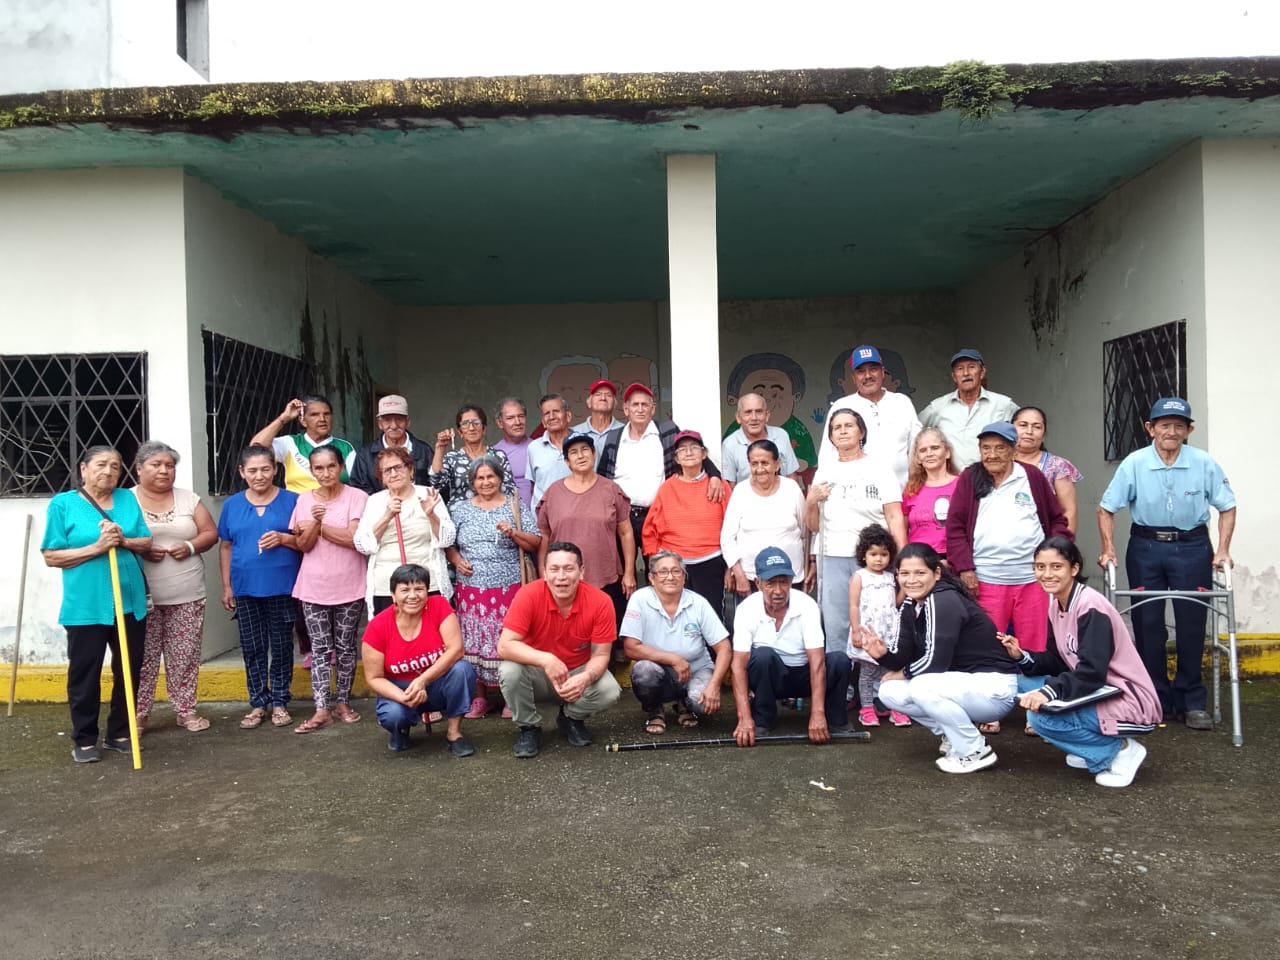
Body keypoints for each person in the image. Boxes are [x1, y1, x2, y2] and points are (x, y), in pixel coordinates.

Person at [1097, 397, 1236, 730]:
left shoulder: (1203, 462)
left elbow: (1227, 506)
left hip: (1192, 547)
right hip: (1146, 547)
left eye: (1178, 426)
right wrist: (1108, 548)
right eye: (1164, 425)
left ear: (1188, 430)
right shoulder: (1135, 463)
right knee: (1148, 624)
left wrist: (1223, 550)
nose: (1171, 432)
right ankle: (1155, 696)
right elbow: (1106, 508)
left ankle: (1191, 700)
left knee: (1191, 622)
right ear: (1150, 428)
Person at [1000, 537, 1161, 787]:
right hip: (1098, 691)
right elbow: (1058, 661)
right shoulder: (1056, 604)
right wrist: (1022, 656)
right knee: (1018, 684)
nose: (1047, 574)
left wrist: (1047, 693)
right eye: (1040, 567)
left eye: (1056, 567)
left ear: (1074, 568)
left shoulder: (1090, 606)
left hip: (1129, 699)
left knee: (1041, 718)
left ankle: (1120, 750)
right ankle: (1091, 748)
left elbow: (1092, 672)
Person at [853, 543, 1018, 773]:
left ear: (937, 573)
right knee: (889, 691)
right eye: (904, 573)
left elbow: (935, 662)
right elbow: (902, 655)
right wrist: (883, 656)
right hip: (962, 686)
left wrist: (902, 673)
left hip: (993, 689)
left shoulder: (942, 599)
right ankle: (954, 737)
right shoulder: (911, 603)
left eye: (920, 573)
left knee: (920, 685)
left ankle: (975, 751)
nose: (912, 580)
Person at [41, 446, 152, 763]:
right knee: (85, 673)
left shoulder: (127, 499)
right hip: (86, 605)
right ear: (84, 469)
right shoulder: (63, 504)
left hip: (129, 602)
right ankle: (85, 739)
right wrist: (97, 547)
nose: (109, 471)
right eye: (101, 464)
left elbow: (146, 541)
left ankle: (120, 733)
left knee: (129, 669)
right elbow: (52, 556)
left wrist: (123, 540)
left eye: (115, 466)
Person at [946, 422, 1070, 660]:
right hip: (985, 579)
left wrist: (1055, 554)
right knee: (987, 645)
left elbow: (1056, 519)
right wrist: (964, 568)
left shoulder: (1031, 476)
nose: (992, 454)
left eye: (1000, 448)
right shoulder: (970, 477)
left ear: (1014, 450)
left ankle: (1033, 683)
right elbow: (955, 528)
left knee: (1034, 647)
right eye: (986, 448)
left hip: (1032, 580)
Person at [497, 542, 623, 758]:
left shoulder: (601, 601)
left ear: (581, 572)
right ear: (545, 573)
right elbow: (505, 646)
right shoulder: (528, 594)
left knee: (609, 689)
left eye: (569, 569)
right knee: (509, 670)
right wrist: (546, 660)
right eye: (554, 569)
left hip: (576, 673)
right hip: (537, 672)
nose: (561, 577)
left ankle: (571, 718)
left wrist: (586, 677)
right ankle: (529, 727)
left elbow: (601, 654)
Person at [446, 454, 543, 719]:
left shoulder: (514, 505)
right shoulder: (461, 509)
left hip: (508, 587)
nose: (486, 482)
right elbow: (447, 542)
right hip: (471, 589)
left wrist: (513, 533)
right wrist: (456, 559)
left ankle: (511, 696)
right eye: (480, 478)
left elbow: (535, 541)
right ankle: (480, 698)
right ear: (472, 482)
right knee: (474, 641)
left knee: (508, 638)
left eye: (491, 476)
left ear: (500, 478)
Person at [132, 441, 217, 734]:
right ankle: (138, 714)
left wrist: (190, 546)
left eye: (169, 465)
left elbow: (210, 533)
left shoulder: (188, 499)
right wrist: (142, 548)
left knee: (184, 656)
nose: (164, 470)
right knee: (142, 658)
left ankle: (185, 710)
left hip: (187, 593)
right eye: (156, 465)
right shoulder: (126, 500)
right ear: (139, 468)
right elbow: (118, 537)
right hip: (140, 596)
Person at [805, 408, 906, 654]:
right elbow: (814, 526)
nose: (842, 431)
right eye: (836, 428)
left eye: (848, 425)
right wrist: (810, 501)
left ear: (861, 432)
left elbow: (894, 516)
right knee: (836, 621)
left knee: (876, 617)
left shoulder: (879, 467)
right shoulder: (825, 471)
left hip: (874, 557)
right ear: (831, 437)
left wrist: (902, 559)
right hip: (833, 555)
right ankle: (840, 674)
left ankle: (877, 672)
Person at [730, 547, 853, 746]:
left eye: (784, 582)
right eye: (771, 583)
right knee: (762, 656)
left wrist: (817, 714)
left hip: (804, 674)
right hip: (773, 677)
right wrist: (744, 718)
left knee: (840, 660)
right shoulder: (746, 609)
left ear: (791, 581)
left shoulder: (806, 605)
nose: (778, 591)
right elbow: (738, 666)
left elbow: (817, 662)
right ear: (758, 583)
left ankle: (835, 718)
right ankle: (763, 718)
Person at [217, 444, 302, 730]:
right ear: (242, 472)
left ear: (275, 469)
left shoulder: (293, 500)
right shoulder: (232, 505)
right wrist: (226, 585)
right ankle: (257, 703)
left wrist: (284, 539)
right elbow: (226, 546)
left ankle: (279, 701)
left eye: (265, 469)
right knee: (252, 646)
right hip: (245, 588)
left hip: (282, 586)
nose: (259, 476)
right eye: (252, 470)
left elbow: (305, 542)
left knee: (281, 646)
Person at [288, 445, 369, 733]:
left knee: (346, 647)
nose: (325, 473)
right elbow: (302, 544)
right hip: (313, 586)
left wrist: (319, 526)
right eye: (319, 468)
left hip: (350, 583)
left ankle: (343, 703)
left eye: (331, 466)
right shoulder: (304, 500)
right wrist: (315, 522)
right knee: (320, 648)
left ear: (341, 467)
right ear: (311, 471)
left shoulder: (357, 497)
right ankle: (322, 708)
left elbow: (353, 539)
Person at [598, 382, 723, 563]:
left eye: (645, 404)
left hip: (658, 515)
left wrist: (714, 475)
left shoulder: (667, 431)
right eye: (635, 405)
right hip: (622, 518)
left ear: (653, 408)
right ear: (626, 409)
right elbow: (602, 476)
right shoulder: (614, 437)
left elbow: (692, 451)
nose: (640, 409)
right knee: (623, 572)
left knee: (659, 569)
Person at [360, 563, 476, 757]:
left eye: (419, 589)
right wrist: (403, 697)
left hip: (436, 683)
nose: (413, 596)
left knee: (462, 670)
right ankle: (401, 729)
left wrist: (423, 680)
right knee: (394, 715)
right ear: (393, 595)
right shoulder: (377, 627)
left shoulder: (439, 606)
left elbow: (456, 650)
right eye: (405, 590)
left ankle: (454, 733)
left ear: (427, 592)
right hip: (400, 689)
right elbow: (374, 678)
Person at [621, 549, 732, 734]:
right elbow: (630, 648)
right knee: (643, 672)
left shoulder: (698, 602)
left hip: (696, 669)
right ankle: (655, 711)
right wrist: (673, 659)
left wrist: (714, 685)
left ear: (684, 577)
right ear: (651, 578)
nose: (670, 577)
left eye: (676, 571)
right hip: (659, 671)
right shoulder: (639, 599)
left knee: (703, 706)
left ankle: (685, 705)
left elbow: (724, 648)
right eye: (663, 572)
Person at [536, 433, 635, 633]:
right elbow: (544, 536)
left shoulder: (611, 489)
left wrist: (629, 573)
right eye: (573, 452)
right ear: (567, 461)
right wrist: (543, 573)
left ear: (594, 454)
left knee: (605, 636)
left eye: (585, 450)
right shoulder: (553, 493)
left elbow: (626, 533)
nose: (580, 456)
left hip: (605, 577)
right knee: (567, 635)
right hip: (563, 579)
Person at [354, 446, 455, 617]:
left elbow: (447, 539)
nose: (393, 474)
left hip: (426, 583)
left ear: (411, 470)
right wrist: (386, 516)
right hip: (387, 586)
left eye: (398, 467)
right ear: (382, 477)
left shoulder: (428, 495)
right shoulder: (375, 501)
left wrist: (431, 515)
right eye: (387, 470)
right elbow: (363, 545)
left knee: (430, 631)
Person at [641, 430, 732, 618]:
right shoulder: (667, 488)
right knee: (674, 616)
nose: (688, 452)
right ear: (676, 458)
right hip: (674, 564)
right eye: (682, 449)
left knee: (710, 616)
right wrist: (654, 564)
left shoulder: (719, 485)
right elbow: (650, 530)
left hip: (710, 562)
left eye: (694, 448)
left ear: (704, 454)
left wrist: (730, 565)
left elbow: (732, 527)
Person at [818, 346, 921, 487]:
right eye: (860, 371)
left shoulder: (902, 402)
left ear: (882, 372)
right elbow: (827, 455)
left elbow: (917, 447)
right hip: (857, 495)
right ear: (853, 377)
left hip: (902, 492)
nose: (867, 376)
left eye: (873, 369)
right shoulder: (841, 406)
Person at [720, 440, 807, 596]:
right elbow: (727, 539)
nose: (759, 469)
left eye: (765, 463)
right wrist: (738, 574)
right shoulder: (741, 491)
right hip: (751, 579)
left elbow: (805, 532)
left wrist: (810, 564)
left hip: (789, 577)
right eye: (754, 464)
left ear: (777, 464)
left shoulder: (791, 489)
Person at [847, 524, 910, 728]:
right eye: (873, 554)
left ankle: (895, 708)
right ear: (863, 555)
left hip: (889, 632)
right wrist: (856, 630)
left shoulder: (891, 578)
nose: (878, 559)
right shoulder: (859, 577)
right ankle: (866, 709)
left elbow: (895, 603)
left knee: (890, 670)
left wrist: (904, 587)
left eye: (884, 554)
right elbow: (853, 605)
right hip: (868, 632)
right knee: (867, 673)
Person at [919, 350, 1018, 469]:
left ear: (982, 372)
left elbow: (1023, 436)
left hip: (991, 477)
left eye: (971, 367)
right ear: (954, 377)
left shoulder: (1003, 404)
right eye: (960, 369)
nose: (966, 373)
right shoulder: (938, 406)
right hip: (952, 478)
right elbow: (913, 433)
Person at [723, 352, 817, 473]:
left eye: (775, 394)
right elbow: (729, 480)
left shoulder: (786, 434)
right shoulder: (730, 441)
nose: (754, 417)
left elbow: (800, 467)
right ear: (738, 416)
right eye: (759, 393)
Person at [250, 393, 356, 493]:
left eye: (326, 414)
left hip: (335, 504)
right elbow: (255, 448)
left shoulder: (345, 447)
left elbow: (356, 483)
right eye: (314, 415)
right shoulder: (290, 443)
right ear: (303, 421)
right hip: (296, 504)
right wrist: (283, 418)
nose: (322, 419)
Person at [1012, 406, 1083, 534]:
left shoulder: (1057, 466)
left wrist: (1061, 543)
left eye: (1037, 427)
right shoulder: (997, 463)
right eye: (1023, 425)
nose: (1029, 431)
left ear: (1044, 435)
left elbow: (1069, 511)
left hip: (1045, 541)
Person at [428, 402, 516, 504]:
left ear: (484, 428)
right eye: (465, 424)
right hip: (461, 512)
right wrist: (440, 447)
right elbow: (436, 483)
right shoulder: (452, 458)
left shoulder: (498, 456)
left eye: (476, 423)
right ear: (460, 431)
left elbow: (510, 491)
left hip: (495, 511)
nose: (471, 428)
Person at [349, 394, 432, 494]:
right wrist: (385, 501)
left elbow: (436, 486)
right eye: (387, 420)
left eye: (399, 419)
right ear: (380, 424)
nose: (394, 426)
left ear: (407, 422)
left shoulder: (424, 451)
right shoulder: (365, 454)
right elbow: (359, 490)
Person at [900, 428, 960, 558]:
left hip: (954, 556)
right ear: (918, 458)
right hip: (918, 558)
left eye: (935, 448)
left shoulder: (961, 485)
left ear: (947, 452)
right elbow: (902, 531)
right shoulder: (911, 489)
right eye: (923, 450)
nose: (929, 453)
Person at [721, 392, 800, 484]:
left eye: (759, 412)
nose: (754, 418)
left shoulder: (781, 435)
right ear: (738, 417)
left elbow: (791, 475)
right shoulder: (730, 444)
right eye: (748, 412)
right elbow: (730, 484)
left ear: (767, 415)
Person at [526, 393, 573, 511]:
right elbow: (533, 485)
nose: (552, 417)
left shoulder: (583, 444)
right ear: (543, 421)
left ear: (568, 416)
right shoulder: (533, 448)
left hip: (576, 514)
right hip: (544, 518)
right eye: (547, 413)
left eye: (556, 411)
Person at [492, 397, 535, 505]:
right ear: (500, 423)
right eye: (510, 418)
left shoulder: (539, 447)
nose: (517, 422)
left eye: (521, 416)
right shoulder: (494, 454)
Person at [571, 378, 623, 454]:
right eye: (598, 394)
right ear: (589, 402)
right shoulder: (575, 432)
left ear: (615, 404)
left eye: (608, 395)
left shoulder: (625, 431)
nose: (603, 398)